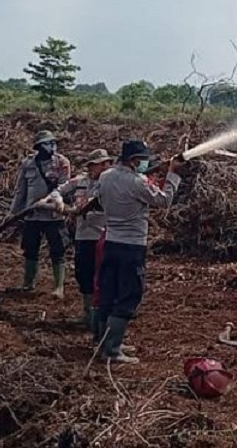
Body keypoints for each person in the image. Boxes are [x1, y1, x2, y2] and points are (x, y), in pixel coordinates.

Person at [96, 140, 182, 364]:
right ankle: (112, 351)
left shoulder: (105, 176)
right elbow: (164, 201)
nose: (145, 163)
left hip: (111, 243)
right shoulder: (137, 182)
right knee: (128, 296)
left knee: (108, 294)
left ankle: (102, 341)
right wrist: (172, 175)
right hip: (131, 247)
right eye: (142, 159)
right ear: (133, 161)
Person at [54, 149, 114, 332]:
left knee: (103, 278)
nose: (102, 167)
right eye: (98, 164)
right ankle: (88, 315)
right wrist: (59, 202)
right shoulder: (79, 182)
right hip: (83, 236)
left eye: (105, 164)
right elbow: (58, 190)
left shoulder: (110, 184)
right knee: (84, 276)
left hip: (104, 237)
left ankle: (104, 319)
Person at [10, 130, 71, 296]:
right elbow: (20, 191)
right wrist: (13, 213)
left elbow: (63, 188)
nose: (51, 146)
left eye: (53, 143)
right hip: (32, 215)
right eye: (47, 143)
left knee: (57, 250)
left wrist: (46, 203)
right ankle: (28, 283)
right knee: (30, 249)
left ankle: (59, 287)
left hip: (53, 215)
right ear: (39, 146)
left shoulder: (61, 163)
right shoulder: (27, 164)